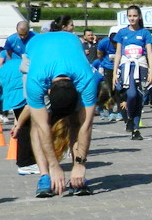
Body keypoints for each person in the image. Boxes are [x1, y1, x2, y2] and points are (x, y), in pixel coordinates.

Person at [23, 29, 100, 198]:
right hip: (35, 50)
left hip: (71, 45)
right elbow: (43, 126)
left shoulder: (87, 80)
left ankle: (77, 176)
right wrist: (53, 165)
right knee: (37, 124)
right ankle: (44, 176)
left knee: (76, 122)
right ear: (48, 91)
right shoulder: (36, 82)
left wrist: (80, 163)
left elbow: (86, 125)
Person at [111, 5, 152, 141]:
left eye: (135, 16)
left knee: (140, 98)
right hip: (127, 66)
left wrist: (151, 71)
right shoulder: (122, 33)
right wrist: (114, 73)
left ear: (139, 16)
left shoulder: (145, 33)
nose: (132, 18)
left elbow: (149, 53)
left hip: (141, 66)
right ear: (127, 16)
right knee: (131, 94)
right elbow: (118, 53)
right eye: (130, 16)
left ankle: (135, 129)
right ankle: (130, 117)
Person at [0, 52, 38, 175]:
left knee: (24, 127)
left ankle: (28, 161)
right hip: (25, 95)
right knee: (27, 129)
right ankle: (26, 162)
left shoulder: (7, 66)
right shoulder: (26, 61)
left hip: (13, 96)